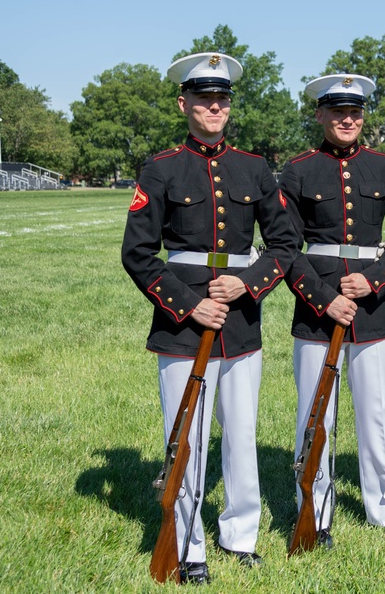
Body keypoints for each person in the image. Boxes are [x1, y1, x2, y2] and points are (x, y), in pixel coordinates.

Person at [122, 52, 300, 584]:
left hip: (241, 321)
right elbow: (138, 253)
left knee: (241, 433)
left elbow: (285, 243)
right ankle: (187, 541)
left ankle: (240, 535)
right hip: (182, 325)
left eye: (222, 99)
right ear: (185, 104)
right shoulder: (161, 168)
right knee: (188, 436)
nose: (214, 106)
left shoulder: (254, 168)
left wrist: (248, 282)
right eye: (204, 98)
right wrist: (187, 302)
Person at [278, 73, 385, 548]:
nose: (346, 119)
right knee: (316, 413)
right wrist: (324, 296)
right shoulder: (298, 170)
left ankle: (384, 511)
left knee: (375, 414)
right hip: (317, 311)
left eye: (355, 112)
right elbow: (285, 246)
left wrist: (374, 279)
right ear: (319, 115)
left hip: (373, 309)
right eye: (337, 112)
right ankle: (313, 512)